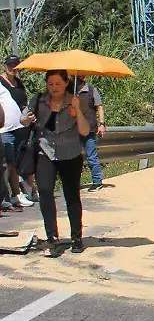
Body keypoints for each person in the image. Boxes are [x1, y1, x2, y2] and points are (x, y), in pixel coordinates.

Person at [21, 70, 90, 255]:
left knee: (72, 196)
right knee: (44, 191)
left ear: (67, 83)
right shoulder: (38, 100)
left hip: (70, 154)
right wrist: (27, 119)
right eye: (50, 84)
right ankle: (52, 236)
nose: (54, 88)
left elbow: (84, 131)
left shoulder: (75, 101)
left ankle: (77, 237)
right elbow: (23, 118)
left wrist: (78, 112)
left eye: (58, 83)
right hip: (46, 152)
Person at [1, 55, 37, 203]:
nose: (13, 68)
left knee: (21, 160)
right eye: (10, 65)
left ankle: (26, 191)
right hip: (5, 128)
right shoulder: (1, 82)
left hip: (21, 126)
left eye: (15, 65)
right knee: (8, 163)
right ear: (4, 65)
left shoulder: (19, 83)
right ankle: (12, 195)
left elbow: (23, 103)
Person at [75, 75, 106, 189]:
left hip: (89, 128)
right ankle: (74, 182)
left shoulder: (92, 90)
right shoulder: (71, 91)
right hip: (74, 129)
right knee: (74, 158)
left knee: (91, 156)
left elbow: (99, 107)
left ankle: (97, 182)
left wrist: (101, 124)